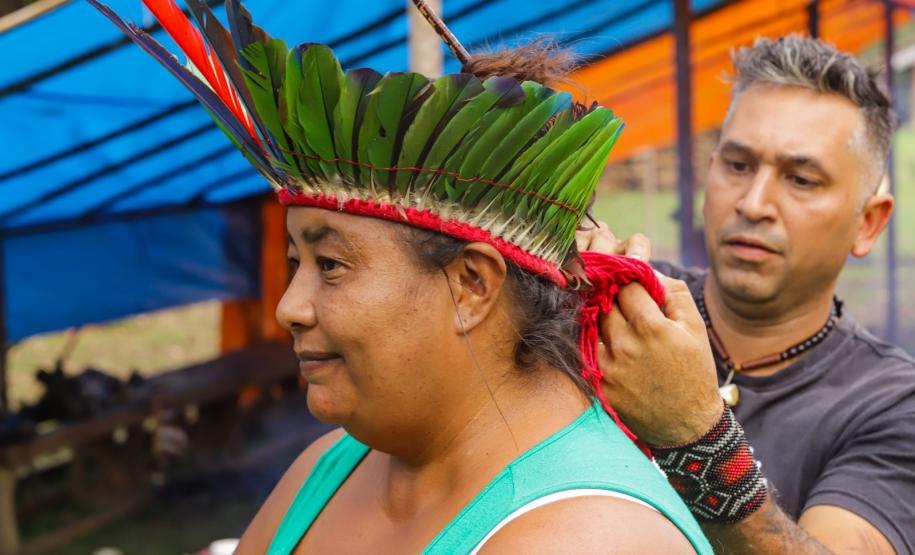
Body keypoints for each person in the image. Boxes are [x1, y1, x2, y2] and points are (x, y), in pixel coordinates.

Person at [89, 0, 716, 552]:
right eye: (294, 264)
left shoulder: (586, 538)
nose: (289, 308)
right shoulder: (327, 471)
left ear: (471, 284)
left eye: (329, 265)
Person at [579, 35, 915, 554]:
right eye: (738, 166)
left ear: (868, 223)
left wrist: (695, 435)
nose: (754, 203)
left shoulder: (890, 404)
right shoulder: (621, 304)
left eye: (801, 179)